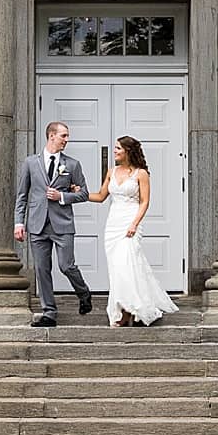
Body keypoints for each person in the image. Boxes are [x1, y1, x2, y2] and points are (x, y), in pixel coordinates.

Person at [87, 135, 178, 328]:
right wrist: (79, 193)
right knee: (117, 268)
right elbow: (101, 196)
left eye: (118, 148)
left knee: (127, 264)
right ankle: (123, 308)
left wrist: (134, 224)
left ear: (128, 151)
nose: (115, 152)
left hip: (130, 222)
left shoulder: (141, 174)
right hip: (113, 224)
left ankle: (130, 311)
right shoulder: (111, 172)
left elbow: (144, 201)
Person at [14, 120, 93, 328]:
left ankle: (83, 292)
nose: (67, 140)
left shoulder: (72, 164)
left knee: (66, 266)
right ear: (51, 136)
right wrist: (18, 223)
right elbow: (22, 195)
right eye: (63, 136)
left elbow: (84, 193)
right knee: (42, 269)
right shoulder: (31, 163)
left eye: (67, 136)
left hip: (62, 223)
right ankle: (49, 312)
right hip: (37, 225)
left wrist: (62, 196)